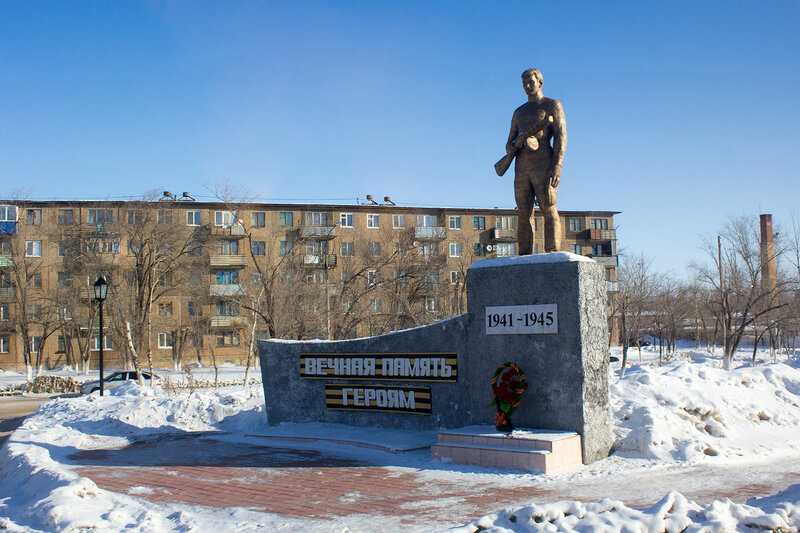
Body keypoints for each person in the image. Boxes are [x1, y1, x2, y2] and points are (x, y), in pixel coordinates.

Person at [504, 68, 567, 253]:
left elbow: (561, 137)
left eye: (530, 82)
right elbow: (508, 143)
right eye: (524, 83)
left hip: (544, 163)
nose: (527, 86)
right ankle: (524, 253)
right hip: (521, 167)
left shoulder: (552, 105)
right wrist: (516, 144)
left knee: (549, 207)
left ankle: (553, 252)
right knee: (523, 212)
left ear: (540, 82)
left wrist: (557, 165)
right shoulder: (519, 112)